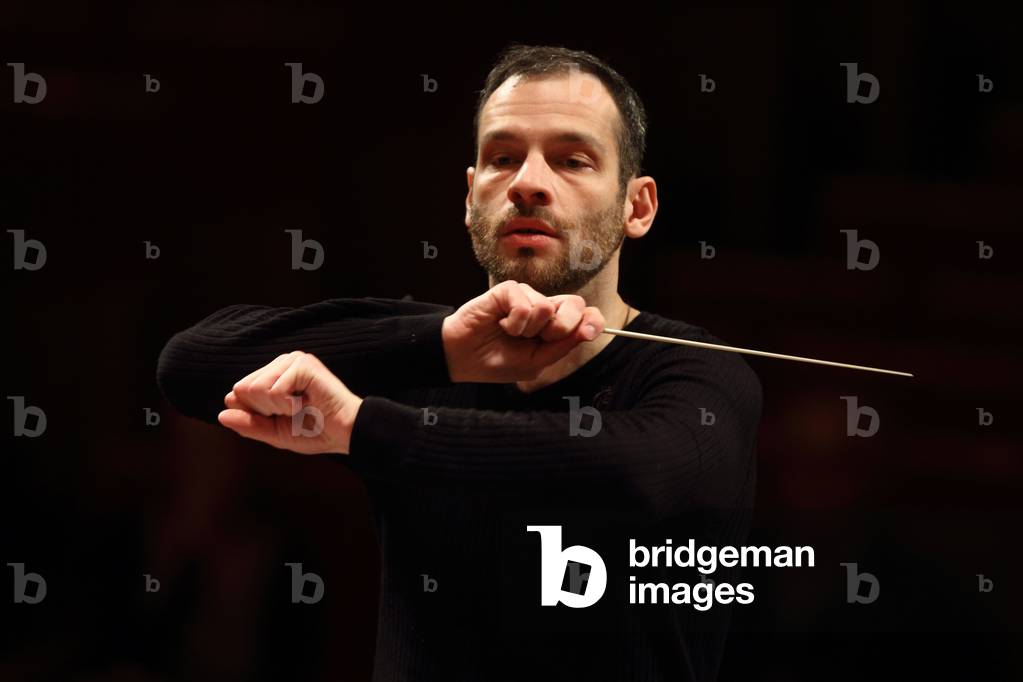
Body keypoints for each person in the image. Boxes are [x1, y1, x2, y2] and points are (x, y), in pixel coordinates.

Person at [157, 43, 763, 682]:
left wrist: (366, 428)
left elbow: (631, 474)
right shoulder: (432, 357)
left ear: (636, 207)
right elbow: (192, 365)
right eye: (502, 158)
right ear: (472, 196)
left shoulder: (701, 376)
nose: (527, 182)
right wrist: (443, 348)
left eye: (572, 160)